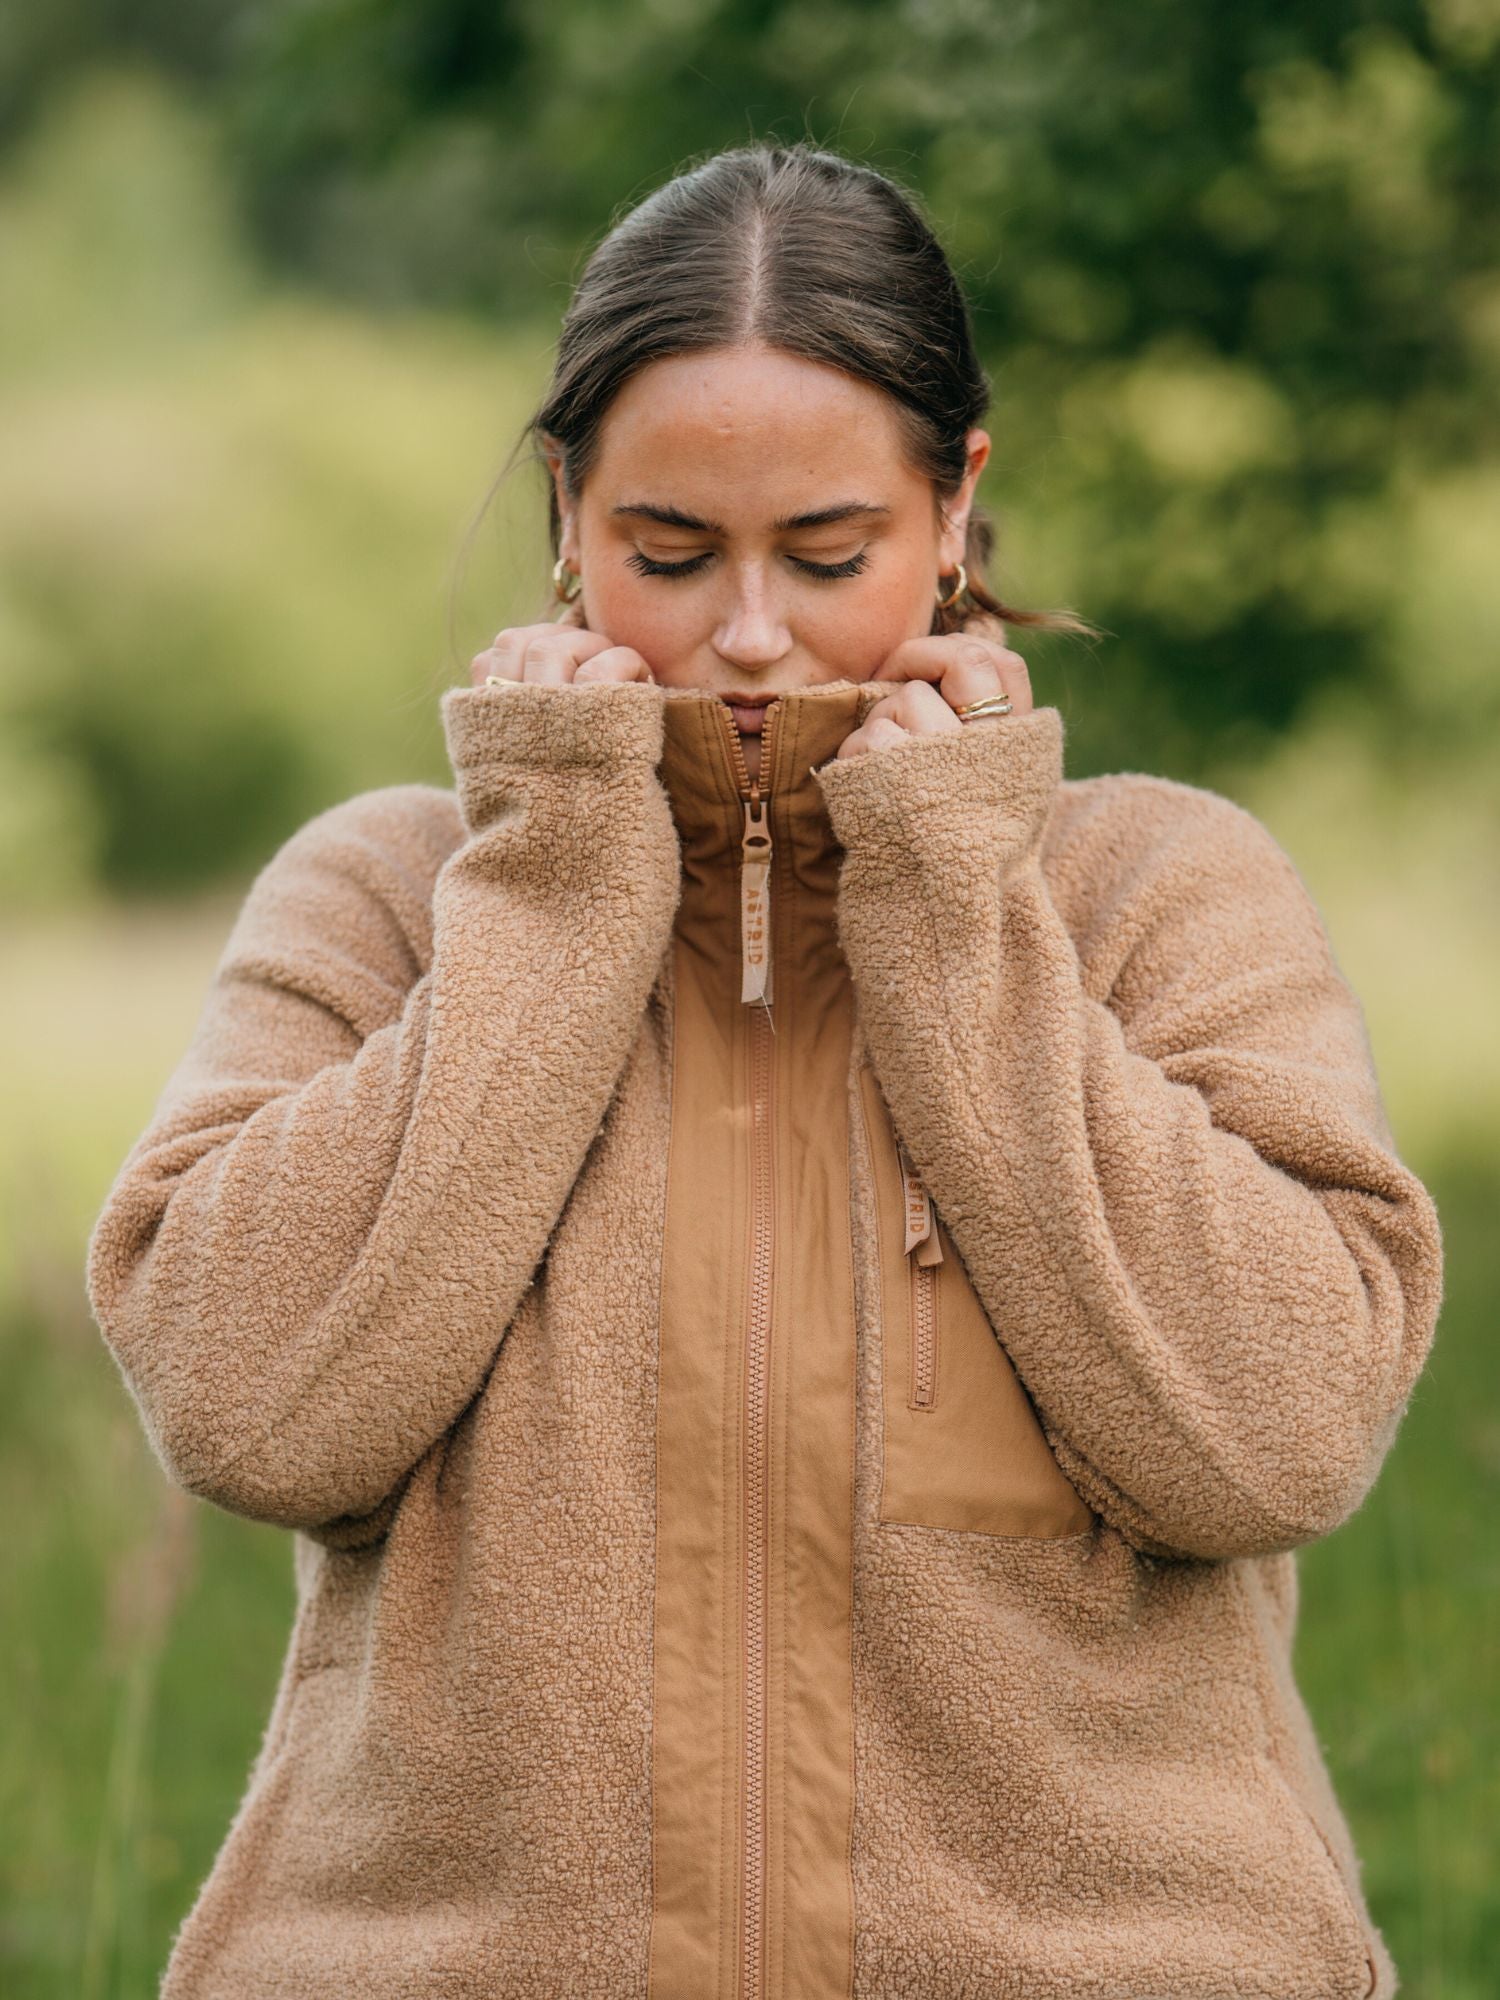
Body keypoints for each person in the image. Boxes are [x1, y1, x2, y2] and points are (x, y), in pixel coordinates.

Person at [86, 140, 1443, 2000]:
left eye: (826, 555)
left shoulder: (1158, 896)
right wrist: (554, 895)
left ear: (958, 506)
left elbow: (1272, 1438)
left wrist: (956, 905)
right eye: (667, 553)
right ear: (568, 506)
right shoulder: (391, 899)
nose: (743, 631)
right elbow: (251, 1410)